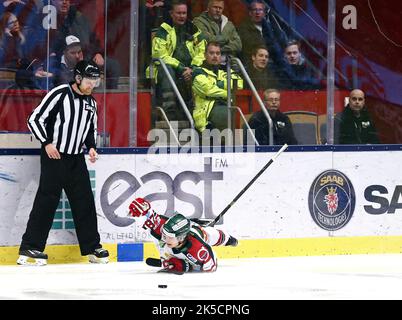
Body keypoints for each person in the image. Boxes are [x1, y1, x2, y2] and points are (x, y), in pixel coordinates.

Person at [17, 60, 109, 266]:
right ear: (77, 78)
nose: (92, 85)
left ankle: (92, 247)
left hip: (76, 158)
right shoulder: (60, 94)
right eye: (89, 81)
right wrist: (47, 143)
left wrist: (92, 147)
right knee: (47, 200)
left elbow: (90, 129)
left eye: (95, 81)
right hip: (55, 156)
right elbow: (35, 119)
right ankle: (30, 248)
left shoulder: (91, 103)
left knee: (84, 201)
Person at [128, 197, 238, 273]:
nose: (164, 238)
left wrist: (188, 267)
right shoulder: (160, 231)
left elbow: (210, 267)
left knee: (215, 236)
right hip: (186, 233)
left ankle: (229, 240)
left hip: (199, 234)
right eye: (164, 235)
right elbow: (153, 220)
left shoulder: (197, 247)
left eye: (169, 237)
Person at [149, 0, 206, 121]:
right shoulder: (163, 30)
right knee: (167, 69)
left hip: (189, 68)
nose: (182, 16)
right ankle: (169, 110)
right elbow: (160, 55)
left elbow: (202, 50)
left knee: (203, 71)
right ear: (171, 14)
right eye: (179, 13)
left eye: (184, 13)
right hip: (166, 69)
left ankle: (199, 113)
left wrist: (193, 68)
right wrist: (180, 67)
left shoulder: (193, 29)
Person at [45, 0, 120, 89]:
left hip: (86, 59)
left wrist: (98, 53)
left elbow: (93, 40)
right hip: (64, 63)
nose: (64, 2)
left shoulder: (80, 19)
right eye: (61, 0)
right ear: (53, 2)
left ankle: (110, 99)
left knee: (113, 66)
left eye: (67, 0)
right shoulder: (48, 20)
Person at [192, 41, 243, 134]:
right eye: (211, 53)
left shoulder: (225, 72)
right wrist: (230, 94)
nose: (215, 56)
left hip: (227, 105)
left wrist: (220, 84)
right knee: (230, 116)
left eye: (218, 53)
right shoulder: (198, 72)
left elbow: (239, 84)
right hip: (207, 112)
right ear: (205, 55)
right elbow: (208, 90)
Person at [237, 0, 287, 66]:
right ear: (250, 13)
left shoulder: (269, 27)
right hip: (252, 63)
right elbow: (252, 45)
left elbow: (281, 41)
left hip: (272, 61)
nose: (257, 12)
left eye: (260, 10)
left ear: (264, 13)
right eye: (255, 10)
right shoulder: (243, 27)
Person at [193, 0, 242, 68]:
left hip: (229, 64)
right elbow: (205, 39)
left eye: (220, 8)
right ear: (208, 8)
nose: (218, 10)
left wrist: (218, 50)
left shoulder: (229, 24)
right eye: (215, 7)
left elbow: (238, 45)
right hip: (206, 64)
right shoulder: (198, 22)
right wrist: (226, 39)